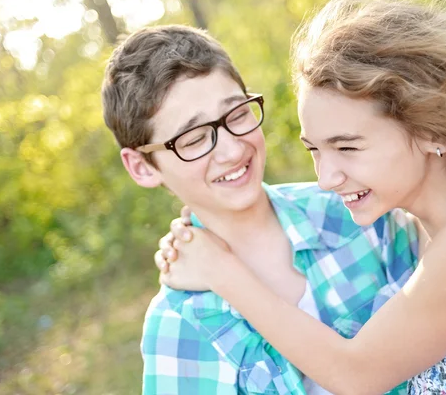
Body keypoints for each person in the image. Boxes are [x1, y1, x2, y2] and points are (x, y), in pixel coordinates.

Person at [154, 0, 446, 393]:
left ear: (434, 127)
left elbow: (355, 374)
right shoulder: (445, 224)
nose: (326, 177)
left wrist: (221, 274)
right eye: (314, 150)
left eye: (347, 147)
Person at [102, 24, 423, 394]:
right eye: (193, 139)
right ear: (142, 167)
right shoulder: (180, 325)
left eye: (237, 114)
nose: (233, 151)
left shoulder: (354, 215)